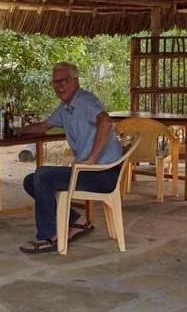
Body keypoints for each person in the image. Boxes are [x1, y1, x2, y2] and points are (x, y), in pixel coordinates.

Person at [15, 62, 124, 253]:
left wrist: (91, 158)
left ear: (76, 81)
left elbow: (105, 121)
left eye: (64, 81)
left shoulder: (85, 101)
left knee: (43, 175)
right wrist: (18, 130)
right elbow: (44, 126)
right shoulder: (66, 107)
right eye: (55, 82)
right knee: (31, 181)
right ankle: (78, 221)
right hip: (86, 171)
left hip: (103, 174)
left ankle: (51, 236)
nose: (59, 86)